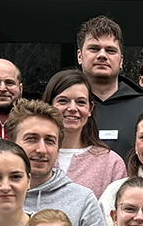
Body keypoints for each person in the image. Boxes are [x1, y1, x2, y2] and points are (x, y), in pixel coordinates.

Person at [0, 101, 111, 226]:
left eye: (50, 141)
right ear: (11, 142)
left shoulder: (82, 200)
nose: (41, 149)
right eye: (31, 139)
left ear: (58, 148)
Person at [44, 68, 129, 197]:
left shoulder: (111, 163)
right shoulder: (33, 155)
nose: (72, 108)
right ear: (49, 105)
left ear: (90, 109)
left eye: (80, 102)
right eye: (63, 101)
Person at [77, 16, 143, 152]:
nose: (102, 55)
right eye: (94, 49)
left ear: (121, 60)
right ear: (80, 56)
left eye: (110, 50)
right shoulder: (62, 108)